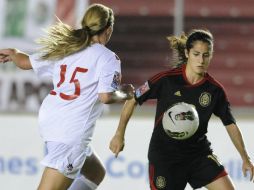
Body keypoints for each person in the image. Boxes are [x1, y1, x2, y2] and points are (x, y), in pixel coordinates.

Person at [0, 3, 134, 190]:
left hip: (51, 121)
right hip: (71, 132)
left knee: (95, 173)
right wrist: (126, 93)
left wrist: (14, 53)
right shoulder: (108, 58)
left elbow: (25, 62)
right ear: (109, 29)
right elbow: (105, 96)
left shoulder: (68, 46)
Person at [109, 29, 254, 190]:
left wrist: (245, 158)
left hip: (198, 156)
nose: (201, 60)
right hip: (165, 158)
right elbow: (132, 99)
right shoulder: (166, 80)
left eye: (206, 55)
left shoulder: (214, 90)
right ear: (187, 53)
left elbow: (230, 124)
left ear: (211, 55)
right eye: (196, 54)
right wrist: (119, 134)